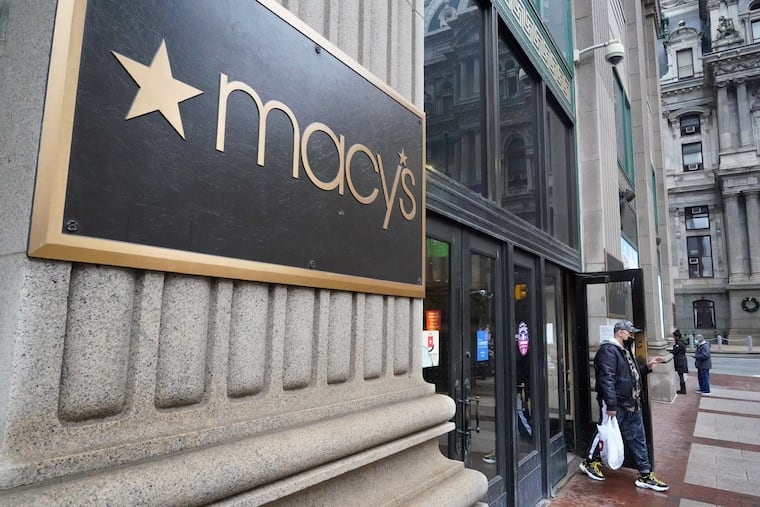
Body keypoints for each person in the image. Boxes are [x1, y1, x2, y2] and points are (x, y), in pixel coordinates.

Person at [580, 320, 669, 492]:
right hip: (618, 404)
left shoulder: (623, 351)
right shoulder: (608, 351)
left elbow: (628, 375)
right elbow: (607, 379)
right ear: (620, 332)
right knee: (605, 432)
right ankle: (590, 462)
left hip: (631, 403)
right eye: (630, 333)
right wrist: (611, 404)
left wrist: (647, 368)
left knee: (638, 438)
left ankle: (645, 474)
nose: (632, 336)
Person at [668, 329, 688, 394]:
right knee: (681, 376)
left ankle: (683, 390)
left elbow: (675, 351)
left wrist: (669, 351)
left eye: (673, 336)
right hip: (681, 360)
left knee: (681, 376)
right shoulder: (681, 342)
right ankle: (683, 389)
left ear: (676, 336)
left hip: (680, 361)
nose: (673, 338)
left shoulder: (679, 343)